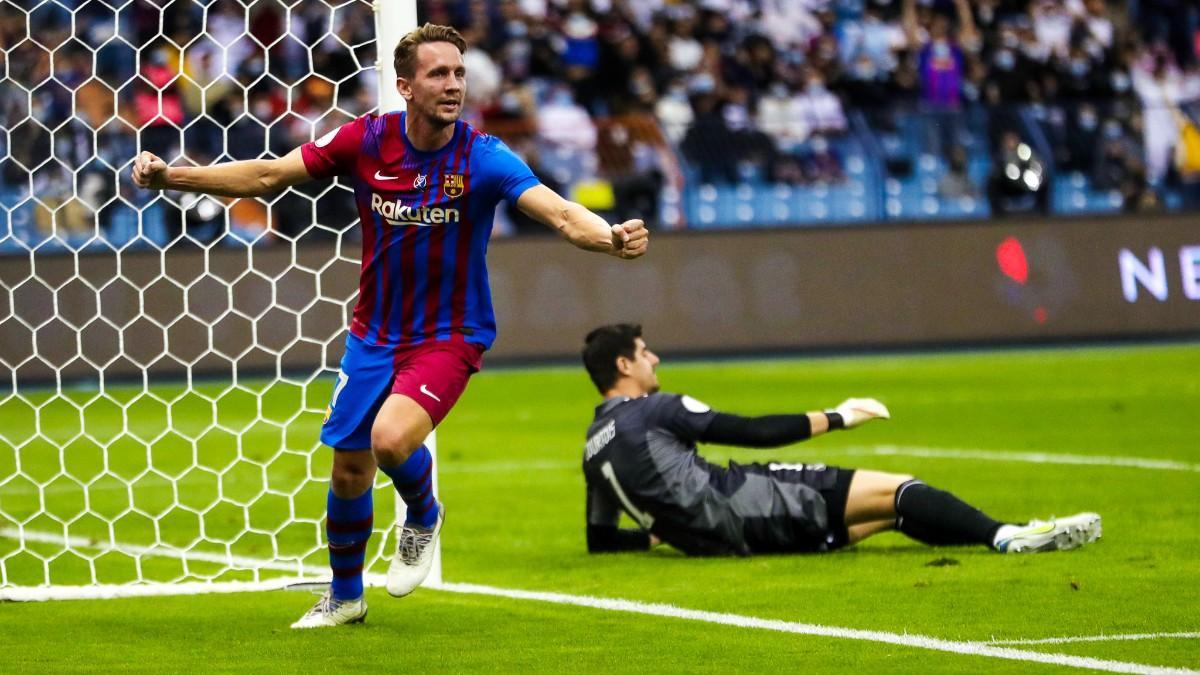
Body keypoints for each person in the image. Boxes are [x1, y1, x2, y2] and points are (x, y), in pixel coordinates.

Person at [132, 24, 649, 628]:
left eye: (458, 73)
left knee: (390, 440)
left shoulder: (483, 156)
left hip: (448, 335)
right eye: (438, 74)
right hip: (373, 334)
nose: (454, 84)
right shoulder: (366, 140)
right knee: (349, 469)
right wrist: (173, 177)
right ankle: (346, 597)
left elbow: (559, 212)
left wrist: (608, 238)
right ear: (404, 86)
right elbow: (270, 176)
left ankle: (424, 514)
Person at [579, 324, 1100, 557]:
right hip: (747, 505)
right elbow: (754, 432)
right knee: (899, 489)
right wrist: (838, 416)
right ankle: (1008, 535)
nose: (656, 360)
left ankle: (997, 536)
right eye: (646, 353)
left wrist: (661, 534)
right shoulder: (655, 410)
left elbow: (600, 539)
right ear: (625, 365)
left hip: (713, 541)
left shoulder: (592, 445)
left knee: (891, 518)